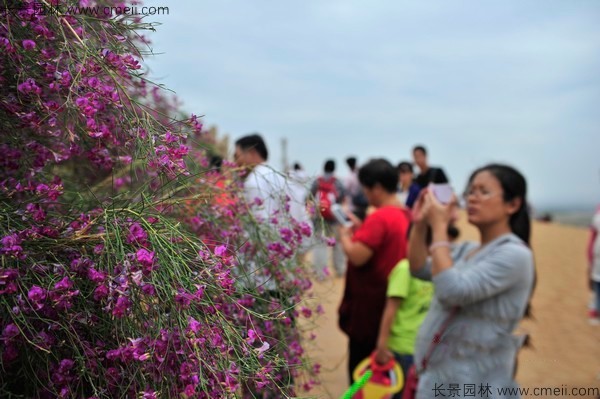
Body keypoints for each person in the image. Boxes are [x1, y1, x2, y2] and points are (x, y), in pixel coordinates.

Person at [408, 163, 535, 398]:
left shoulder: (515, 255)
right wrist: (420, 223)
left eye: (483, 191)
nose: (473, 199)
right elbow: (417, 268)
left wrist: (439, 226)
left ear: (513, 204)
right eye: (470, 191)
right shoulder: (467, 250)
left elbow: (452, 290)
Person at [336, 158, 411, 382]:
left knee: (364, 377)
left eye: (366, 189)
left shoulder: (379, 217)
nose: (365, 194)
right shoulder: (405, 214)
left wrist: (344, 236)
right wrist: (362, 229)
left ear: (376, 188)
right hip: (394, 305)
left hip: (371, 312)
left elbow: (358, 256)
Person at [374, 258, 433, 399]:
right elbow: (391, 309)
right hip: (404, 350)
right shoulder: (404, 269)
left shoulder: (440, 269)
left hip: (428, 352)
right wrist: (382, 345)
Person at [310, 159, 347, 278]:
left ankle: (320, 273)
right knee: (337, 245)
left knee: (320, 245)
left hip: (319, 218)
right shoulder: (338, 182)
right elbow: (342, 198)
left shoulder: (317, 181)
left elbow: (309, 196)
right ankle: (340, 270)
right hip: (334, 218)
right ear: (334, 168)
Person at [587, 205, 600, 325]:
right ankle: (594, 308)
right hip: (597, 257)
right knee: (596, 283)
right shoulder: (598, 214)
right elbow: (592, 237)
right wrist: (590, 255)